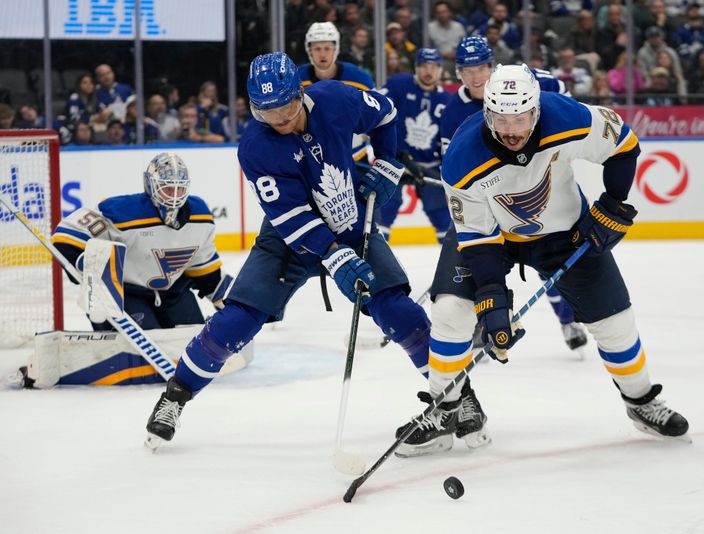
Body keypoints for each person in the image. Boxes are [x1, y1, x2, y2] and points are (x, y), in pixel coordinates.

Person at [395, 64, 690, 456]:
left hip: (563, 234)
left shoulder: (566, 117)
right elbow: (478, 238)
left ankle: (640, 402)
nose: (512, 129)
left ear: (536, 110)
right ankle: (443, 409)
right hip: (491, 238)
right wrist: (492, 299)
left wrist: (613, 203)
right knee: (451, 312)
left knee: (616, 321)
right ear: (487, 113)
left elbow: (623, 145)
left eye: (520, 118)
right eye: (501, 118)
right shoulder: (463, 158)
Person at [144, 52, 433, 448]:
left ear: (301, 93)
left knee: (399, 310)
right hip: (287, 239)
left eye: (286, 107)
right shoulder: (256, 148)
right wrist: (333, 255)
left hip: (348, 220)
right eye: (266, 113)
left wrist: (386, 163)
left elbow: (385, 113)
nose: (279, 120)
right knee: (238, 320)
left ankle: (455, 398)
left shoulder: (335, 99)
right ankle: (173, 397)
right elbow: (292, 217)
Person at [440, 36, 587, 354]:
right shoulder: (453, 110)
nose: (476, 76)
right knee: (483, 262)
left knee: (550, 260)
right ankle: (490, 323)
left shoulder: (529, 84)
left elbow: (567, 109)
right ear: (458, 73)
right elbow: (454, 169)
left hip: (538, 192)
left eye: (481, 67)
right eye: (468, 70)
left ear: (492, 67)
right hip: (490, 201)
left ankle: (568, 320)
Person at [52, 153, 229, 331]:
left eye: (179, 189)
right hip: (128, 293)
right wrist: (91, 272)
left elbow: (206, 272)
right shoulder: (123, 212)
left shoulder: (200, 216)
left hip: (174, 292)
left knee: (197, 340)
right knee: (145, 346)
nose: (174, 196)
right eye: (167, 188)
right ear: (151, 184)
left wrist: (233, 303)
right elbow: (66, 237)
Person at [378, 48, 453, 243]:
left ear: (440, 69)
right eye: (424, 66)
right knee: (383, 212)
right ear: (416, 68)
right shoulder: (398, 85)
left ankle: (454, 269)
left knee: (443, 218)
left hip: (428, 166)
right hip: (395, 161)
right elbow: (377, 112)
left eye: (433, 67)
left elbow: (449, 140)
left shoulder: (446, 100)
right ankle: (376, 261)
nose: (429, 71)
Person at [297, 22, 376, 163]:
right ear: (309, 50)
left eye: (327, 48)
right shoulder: (297, 79)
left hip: (355, 157)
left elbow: (377, 114)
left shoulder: (359, 78)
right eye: (317, 49)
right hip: (314, 160)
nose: (322, 54)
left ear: (336, 49)